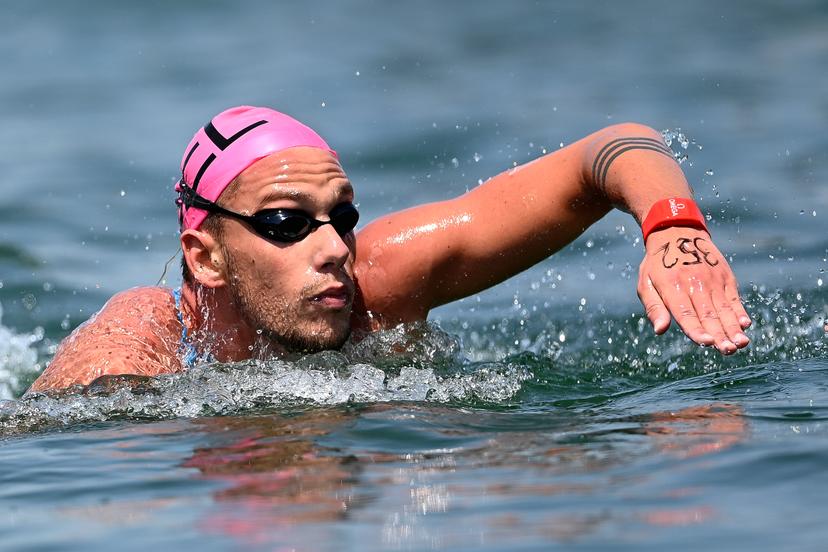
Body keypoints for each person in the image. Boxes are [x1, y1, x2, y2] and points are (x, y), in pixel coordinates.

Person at [28, 106, 752, 393]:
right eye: (286, 223)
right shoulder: (138, 344)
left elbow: (615, 149)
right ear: (206, 257)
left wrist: (673, 228)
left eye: (340, 218)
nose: (332, 248)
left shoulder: (380, 282)